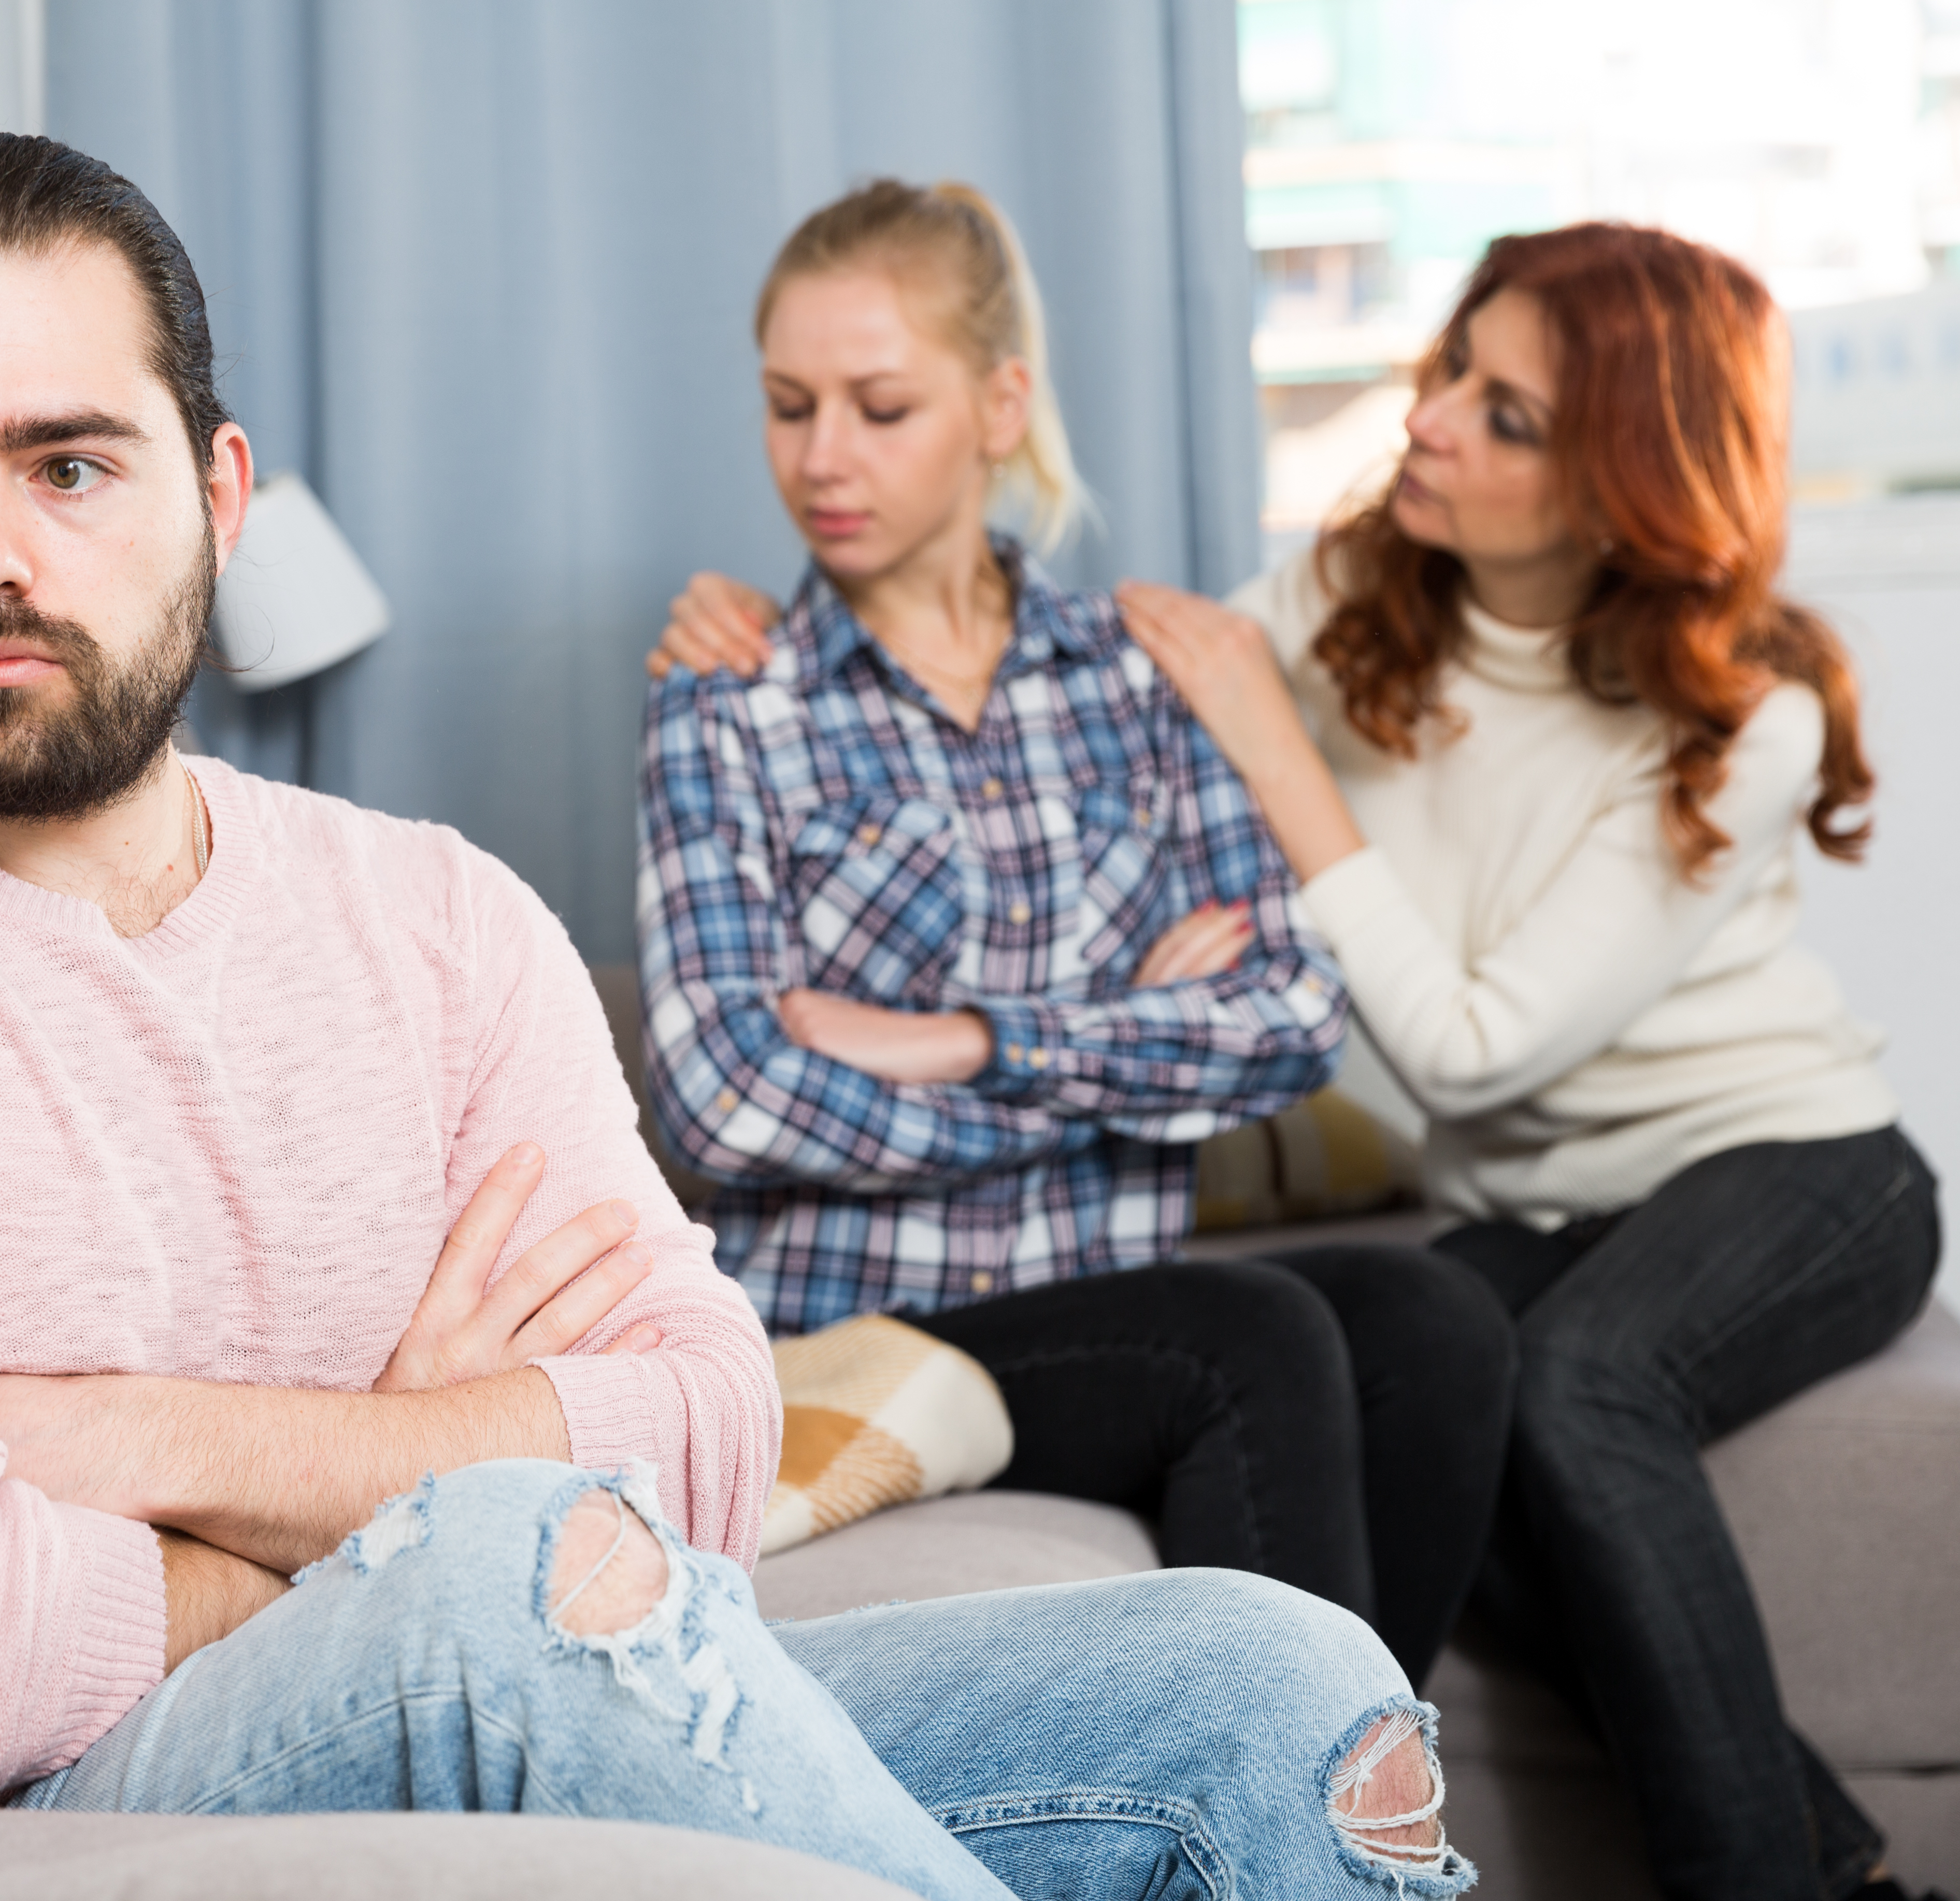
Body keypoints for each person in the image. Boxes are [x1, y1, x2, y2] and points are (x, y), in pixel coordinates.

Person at [0, 134, 1472, 1900]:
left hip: (493, 1680)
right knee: (510, 1573)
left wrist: (123, 1438)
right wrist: (426, 1487)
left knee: (1269, 1675)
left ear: (215, 494)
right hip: (4, 1833)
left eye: (67, 462)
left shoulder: (437, 915)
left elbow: (702, 1457)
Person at [666, 216, 1942, 1901]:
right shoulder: (1335, 602)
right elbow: (738, 1087)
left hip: (1782, 1159)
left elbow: (1337, 1030)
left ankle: (1719, 1877)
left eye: (1503, 416)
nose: (1424, 423)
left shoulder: (1736, 714)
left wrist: (980, 1034)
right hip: (1516, 1205)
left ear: (1619, 477)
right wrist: (1127, 1032)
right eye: (1449, 376)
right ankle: (1359, 1839)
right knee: (1429, 1342)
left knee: (1553, 1379)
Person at [636, 177, 1515, 1694]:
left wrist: (971, 1043)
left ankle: (1352, 1813)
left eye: (878, 406)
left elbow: (1291, 1023)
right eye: (787, 407)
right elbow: (726, 1095)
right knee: (1247, 1336)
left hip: (1104, 1303)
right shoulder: (731, 698)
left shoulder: (1145, 675)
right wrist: (1113, 1067)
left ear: (997, 405)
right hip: (862, 1330)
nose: (819, 459)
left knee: (1436, 1316)